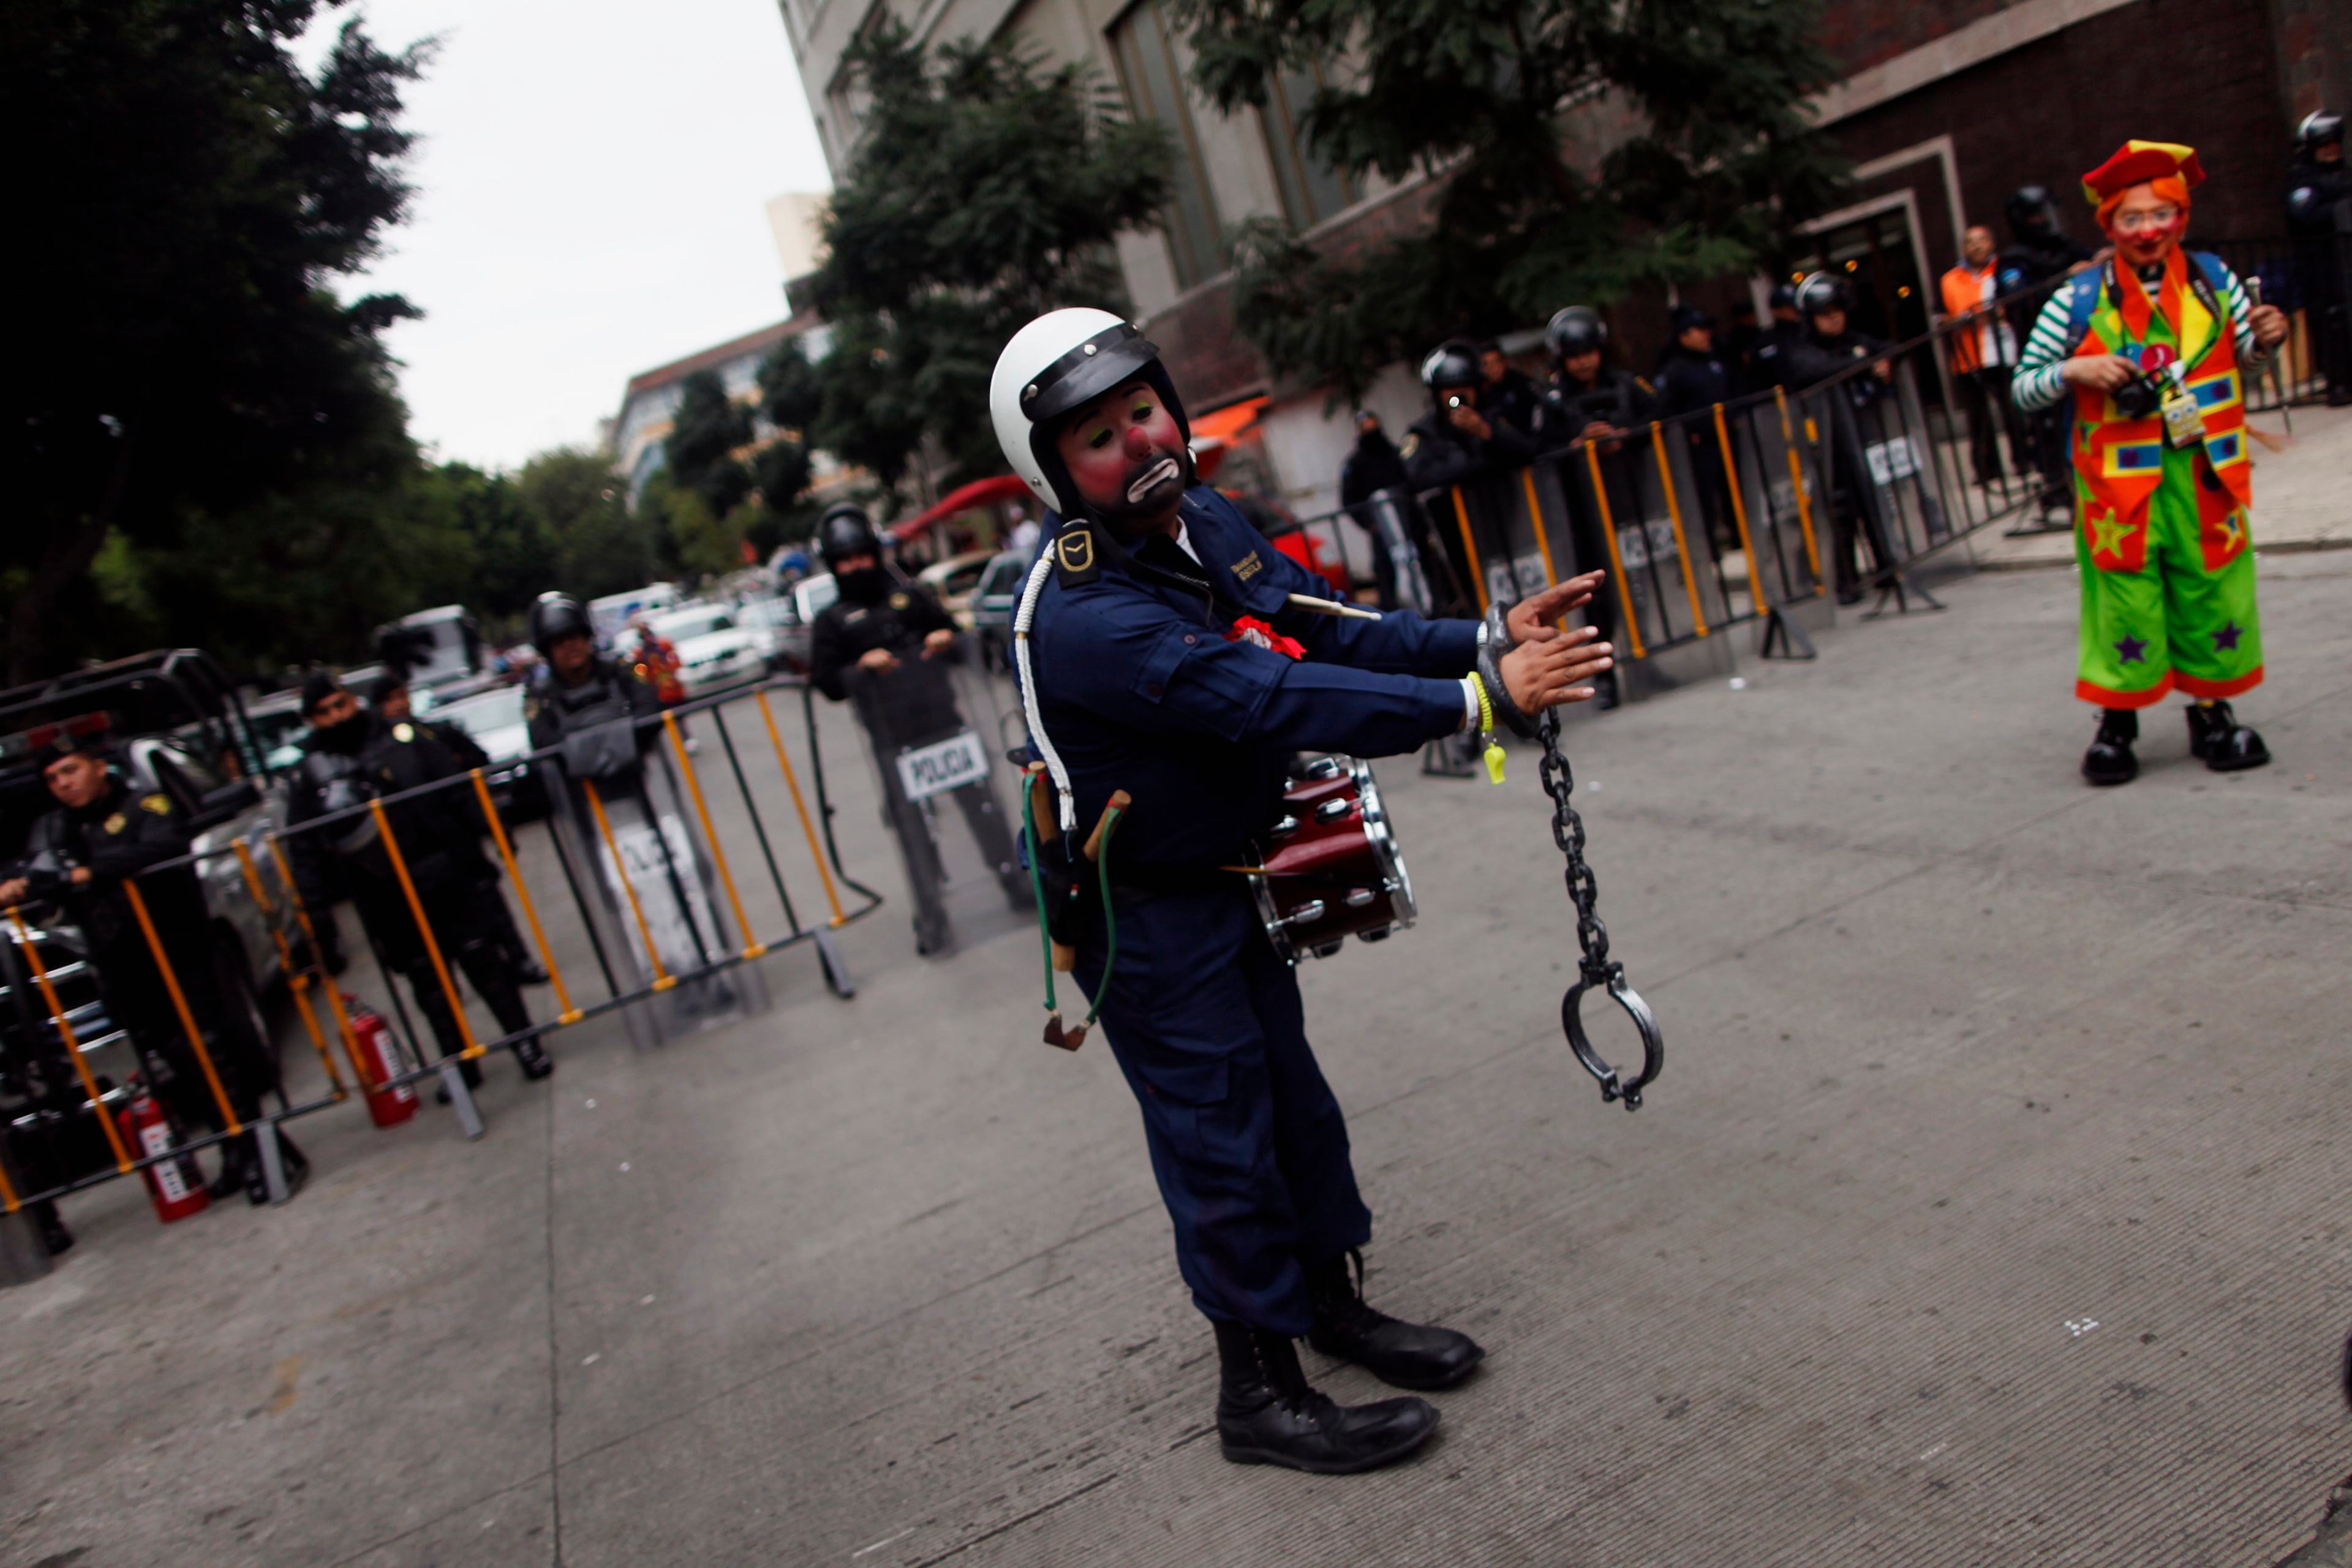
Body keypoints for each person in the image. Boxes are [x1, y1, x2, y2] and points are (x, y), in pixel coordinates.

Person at [990, 307, 1615, 1476]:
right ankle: (1259, 1393)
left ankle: (1332, 1308)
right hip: (1147, 913)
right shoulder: (1081, 615)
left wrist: (1474, 641)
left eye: (1143, 410)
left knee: (1295, 1107)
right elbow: (1266, 695)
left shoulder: (1199, 517)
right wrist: (1483, 705)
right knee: (1219, 1137)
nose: (1138, 442)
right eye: (1098, 438)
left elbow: (1308, 619)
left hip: (1232, 873)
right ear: (1053, 474)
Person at [2010, 140, 2288, 785]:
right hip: (2117, 486)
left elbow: (2244, 358)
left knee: (2211, 589)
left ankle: (2213, 712)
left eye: (2161, 214)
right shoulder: (2076, 300)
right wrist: (2074, 367)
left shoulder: (2215, 281)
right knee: (2124, 601)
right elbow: (2025, 387)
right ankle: (2118, 722)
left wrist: (2265, 343)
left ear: (2181, 218)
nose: (2148, 230)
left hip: (2204, 471)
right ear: (2109, 225)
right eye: (2131, 219)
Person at [1, 734, 303, 1207]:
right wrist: (21, 885)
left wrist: (83, 874)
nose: (63, 785)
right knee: (181, 1063)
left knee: (214, 1055)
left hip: (178, 951)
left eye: (70, 771)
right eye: (53, 779)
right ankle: (236, 1153)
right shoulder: (59, 829)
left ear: (99, 766)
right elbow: (40, 871)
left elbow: (161, 847)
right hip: (123, 962)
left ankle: (268, 1154)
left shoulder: (145, 803)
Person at [288, 673, 552, 1087]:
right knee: (429, 984)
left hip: (442, 871)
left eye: (341, 704)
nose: (337, 716)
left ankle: (525, 1043)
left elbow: (455, 786)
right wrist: (314, 911)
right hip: (385, 893)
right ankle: (460, 1065)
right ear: (311, 720)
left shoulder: (403, 735)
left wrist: (490, 827)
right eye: (324, 712)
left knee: (484, 962)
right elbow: (303, 849)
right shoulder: (310, 774)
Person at [807, 503, 1027, 950]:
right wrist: (859, 666)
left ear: (875, 553)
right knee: (914, 832)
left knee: (985, 812)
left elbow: (952, 635)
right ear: (834, 566)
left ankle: (1016, 884)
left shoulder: (912, 595)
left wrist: (945, 639)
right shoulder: (832, 620)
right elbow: (826, 682)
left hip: (947, 724)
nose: (856, 567)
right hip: (894, 743)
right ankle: (933, 918)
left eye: (861, 557)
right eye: (845, 561)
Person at [371, 674, 548, 986]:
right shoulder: (378, 752)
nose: (399, 704)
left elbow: (474, 769)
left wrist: (494, 825)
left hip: (459, 839)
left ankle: (519, 961)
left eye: (401, 695)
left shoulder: (435, 734)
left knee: (490, 903)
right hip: (423, 853)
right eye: (390, 700)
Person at [1536, 305, 1653, 706]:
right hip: (1581, 515)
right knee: (1597, 600)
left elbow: (1661, 415)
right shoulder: (1552, 401)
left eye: (1589, 351)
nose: (1584, 361)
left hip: (1631, 502)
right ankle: (1605, 679)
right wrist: (1576, 447)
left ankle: (1648, 660)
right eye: (1574, 355)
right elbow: (1538, 451)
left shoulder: (1625, 384)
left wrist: (1625, 436)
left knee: (1639, 584)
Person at [1784, 273, 1896, 605]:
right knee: (1840, 509)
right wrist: (1862, 365)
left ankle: (1885, 567)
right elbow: (1813, 371)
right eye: (1824, 313)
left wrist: (1882, 360)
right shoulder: (1803, 349)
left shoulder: (1852, 340)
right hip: (1826, 445)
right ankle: (1846, 580)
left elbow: (1887, 348)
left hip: (1862, 437)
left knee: (1870, 499)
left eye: (1837, 310)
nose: (1833, 318)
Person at [2002, 184, 2101, 520]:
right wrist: (2063, 281)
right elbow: (2018, 302)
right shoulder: (2014, 260)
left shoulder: (2066, 246)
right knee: (2046, 426)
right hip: (2042, 350)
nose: (2045, 220)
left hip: (2081, 350)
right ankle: (2055, 488)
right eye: (2037, 215)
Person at [1940, 225, 2029, 486]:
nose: (1976, 246)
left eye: (1981, 241)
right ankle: (1986, 469)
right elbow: (1939, 316)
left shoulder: (2004, 270)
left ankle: (2023, 461)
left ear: (1991, 243)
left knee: (2012, 409)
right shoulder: (1950, 280)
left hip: (2003, 352)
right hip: (1968, 357)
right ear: (1963, 248)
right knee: (1978, 418)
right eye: (1970, 242)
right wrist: (1957, 320)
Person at [2286, 110, 2351, 405]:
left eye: (2334, 141)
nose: (2331, 148)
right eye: (2323, 143)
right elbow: (2306, 214)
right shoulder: (2302, 179)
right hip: (2322, 268)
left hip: (2346, 265)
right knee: (2331, 322)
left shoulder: (2345, 175)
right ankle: (2338, 382)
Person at [1337, 410, 1418, 611]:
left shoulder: (1392, 453)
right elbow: (1349, 499)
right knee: (1386, 573)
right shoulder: (1355, 464)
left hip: (1407, 525)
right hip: (1380, 530)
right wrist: (1368, 523)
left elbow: (1410, 483)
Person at [1744, 281, 1807, 391]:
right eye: (1788, 307)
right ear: (1776, 310)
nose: (1793, 310)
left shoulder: (1807, 331)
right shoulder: (1766, 340)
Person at [1476, 340, 1545, 439]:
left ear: (1504, 362)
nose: (1493, 369)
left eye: (1496, 362)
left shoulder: (1523, 385)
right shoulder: (1484, 394)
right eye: (1487, 364)